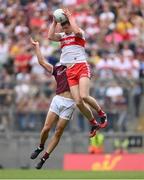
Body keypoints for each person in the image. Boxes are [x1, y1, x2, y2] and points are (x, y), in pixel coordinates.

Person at [48, 8, 108, 137]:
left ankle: (101, 114)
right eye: (62, 25)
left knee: (84, 96)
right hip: (70, 70)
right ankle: (93, 123)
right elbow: (50, 36)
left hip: (81, 66)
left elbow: (76, 30)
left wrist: (70, 17)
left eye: (66, 24)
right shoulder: (62, 37)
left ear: (70, 22)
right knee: (78, 101)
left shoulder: (79, 32)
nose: (64, 27)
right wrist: (54, 22)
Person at [30, 38, 76, 169]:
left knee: (58, 132)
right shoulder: (58, 68)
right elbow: (42, 62)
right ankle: (40, 146)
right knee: (46, 128)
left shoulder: (78, 69)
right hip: (58, 100)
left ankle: (44, 158)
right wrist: (37, 47)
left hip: (70, 103)